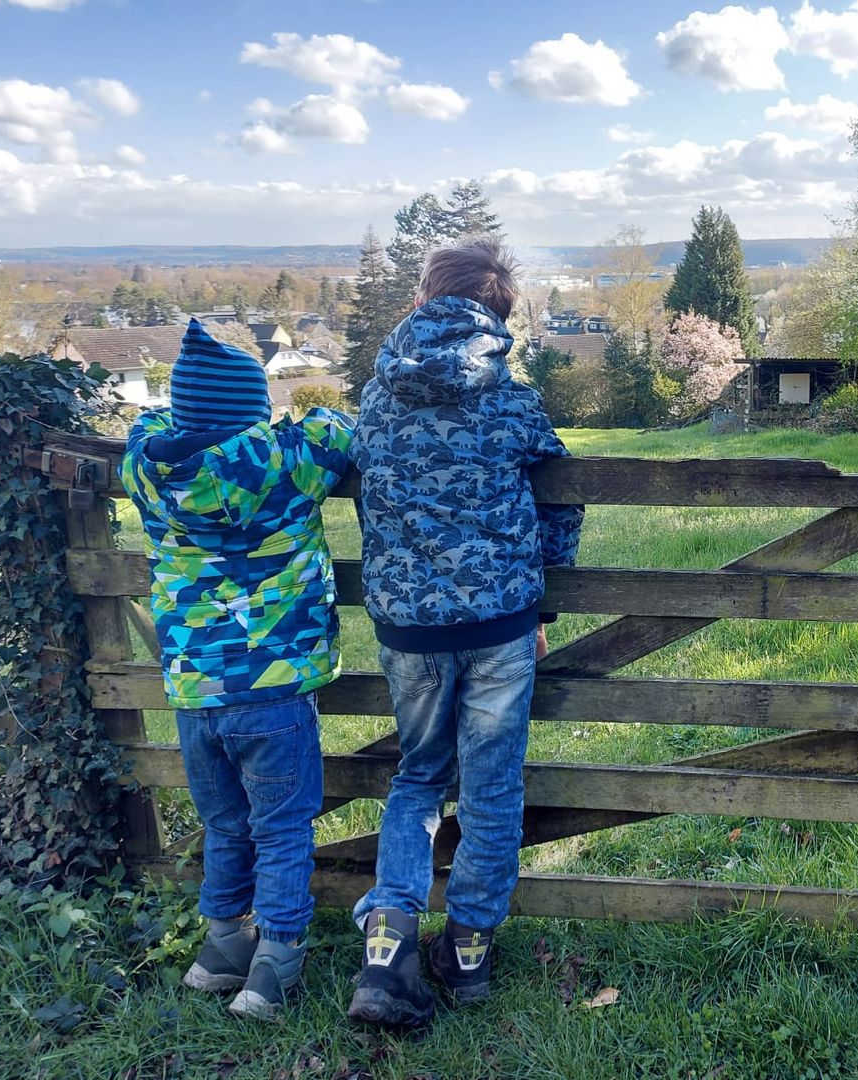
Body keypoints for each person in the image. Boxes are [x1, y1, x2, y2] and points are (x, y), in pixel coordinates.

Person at [346, 236, 584, 1029]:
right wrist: (543, 607)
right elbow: (563, 495)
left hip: (409, 627)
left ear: (422, 298)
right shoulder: (509, 396)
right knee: (491, 788)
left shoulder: (376, 398)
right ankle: (469, 954)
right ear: (499, 315)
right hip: (499, 624)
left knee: (418, 778)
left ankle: (386, 952)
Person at [120, 319, 353, 1019]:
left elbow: (147, 424)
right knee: (282, 827)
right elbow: (335, 428)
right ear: (254, 407)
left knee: (226, 825)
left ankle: (221, 950)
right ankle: (274, 966)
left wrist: (180, 417)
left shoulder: (148, 468)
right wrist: (282, 420)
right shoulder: (285, 463)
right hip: (274, 685)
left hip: (195, 688)